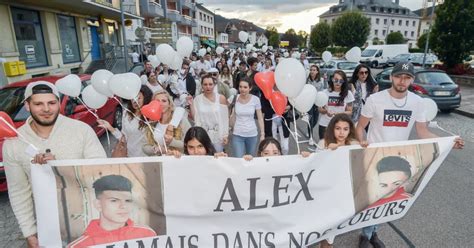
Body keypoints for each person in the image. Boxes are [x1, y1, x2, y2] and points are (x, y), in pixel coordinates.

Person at [355, 62, 464, 248]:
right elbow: (359, 127)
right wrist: (362, 142)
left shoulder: (417, 102)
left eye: (407, 78)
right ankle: (365, 235)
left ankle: (373, 233)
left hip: (400, 157)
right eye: (398, 76)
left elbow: (422, 132)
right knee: (372, 199)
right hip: (374, 155)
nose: (402, 81)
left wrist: (449, 141)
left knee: (387, 200)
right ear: (391, 77)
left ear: (412, 80)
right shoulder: (375, 100)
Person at [2, 81, 107, 248]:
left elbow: (101, 174)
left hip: (89, 220)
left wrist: (59, 167)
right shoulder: (13, 143)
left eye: (51, 103)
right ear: (27, 106)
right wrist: (29, 232)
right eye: (38, 104)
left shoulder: (82, 130)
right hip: (48, 227)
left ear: (58, 103)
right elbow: (19, 192)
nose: (46, 109)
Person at [68, 175, 156, 247]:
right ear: (98, 204)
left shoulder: (147, 234)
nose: (123, 206)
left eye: (127, 200)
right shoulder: (79, 246)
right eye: (114, 200)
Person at [98, 86, 153, 157]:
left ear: (146, 99)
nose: (135, 101)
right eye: (132, 98)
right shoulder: (127, 114)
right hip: (130, 155)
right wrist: (109, 127)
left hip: (147, 157)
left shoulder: (151, 117)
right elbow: (124, 138)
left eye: (139, 98)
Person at [143, 91, 191, 155]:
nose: (160, 104)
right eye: (157, 101)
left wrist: (172, 142)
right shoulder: (152, 123)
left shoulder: (181, 121)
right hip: (159, 162)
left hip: (177, 160)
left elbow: (191, 143)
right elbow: (144, 146)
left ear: (169, 104)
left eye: (164, 101)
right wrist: (155, 149)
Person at [190, 74, 229, 152]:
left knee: (218, 159)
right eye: (205, 84)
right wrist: (191, 104)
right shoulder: (197, 99)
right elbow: (195, 117)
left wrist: (225, 135)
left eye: (210, 84)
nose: (208, 87)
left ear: (214, 85)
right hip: (203, 135)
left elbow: (225, 118)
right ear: (202, 86)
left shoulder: (221, 98)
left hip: (218, 135)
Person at [230, 79, 265, 157]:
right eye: (240, 87)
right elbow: (227, 113)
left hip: (252, 134)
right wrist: (232, 112)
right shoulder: (234, 98)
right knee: (239, 159)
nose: (242, 89)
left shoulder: (256, 99)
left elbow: (260, 118)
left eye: (245, 87)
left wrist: (262, 134)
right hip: (237, 134)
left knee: (250, 159)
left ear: (250, 88)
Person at [318, 70, 354, 140]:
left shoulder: (348, 94)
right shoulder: (325, 93)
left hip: (340, 126)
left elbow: (350, 111)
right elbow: (320, 109)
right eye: (336, 80)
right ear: (332, 79)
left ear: (344, 82)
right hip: (325, 124)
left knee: (338, 149)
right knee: (324, 148)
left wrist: (338, 114)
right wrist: (326, 111)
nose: (338, 83)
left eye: (341, 81)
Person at [306, 65, 327, 146]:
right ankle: (310, 137)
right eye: (311, 70)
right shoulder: (307, 80)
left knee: (315, 120)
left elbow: (325, 88)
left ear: (317, 71)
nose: (312, 71)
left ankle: (309, 129)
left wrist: (325, 79)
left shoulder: (321, 80)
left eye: (314, 70)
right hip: (309, 102)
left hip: (318, 102)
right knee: (310, 119)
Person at [243, 137, 310, 160]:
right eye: (266, 153)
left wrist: (305, 160)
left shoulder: (287, 168)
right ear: (261, 154)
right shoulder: (255, 169)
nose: (271, 156)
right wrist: (246, 164)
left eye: (275, 153)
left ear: (280, 154)